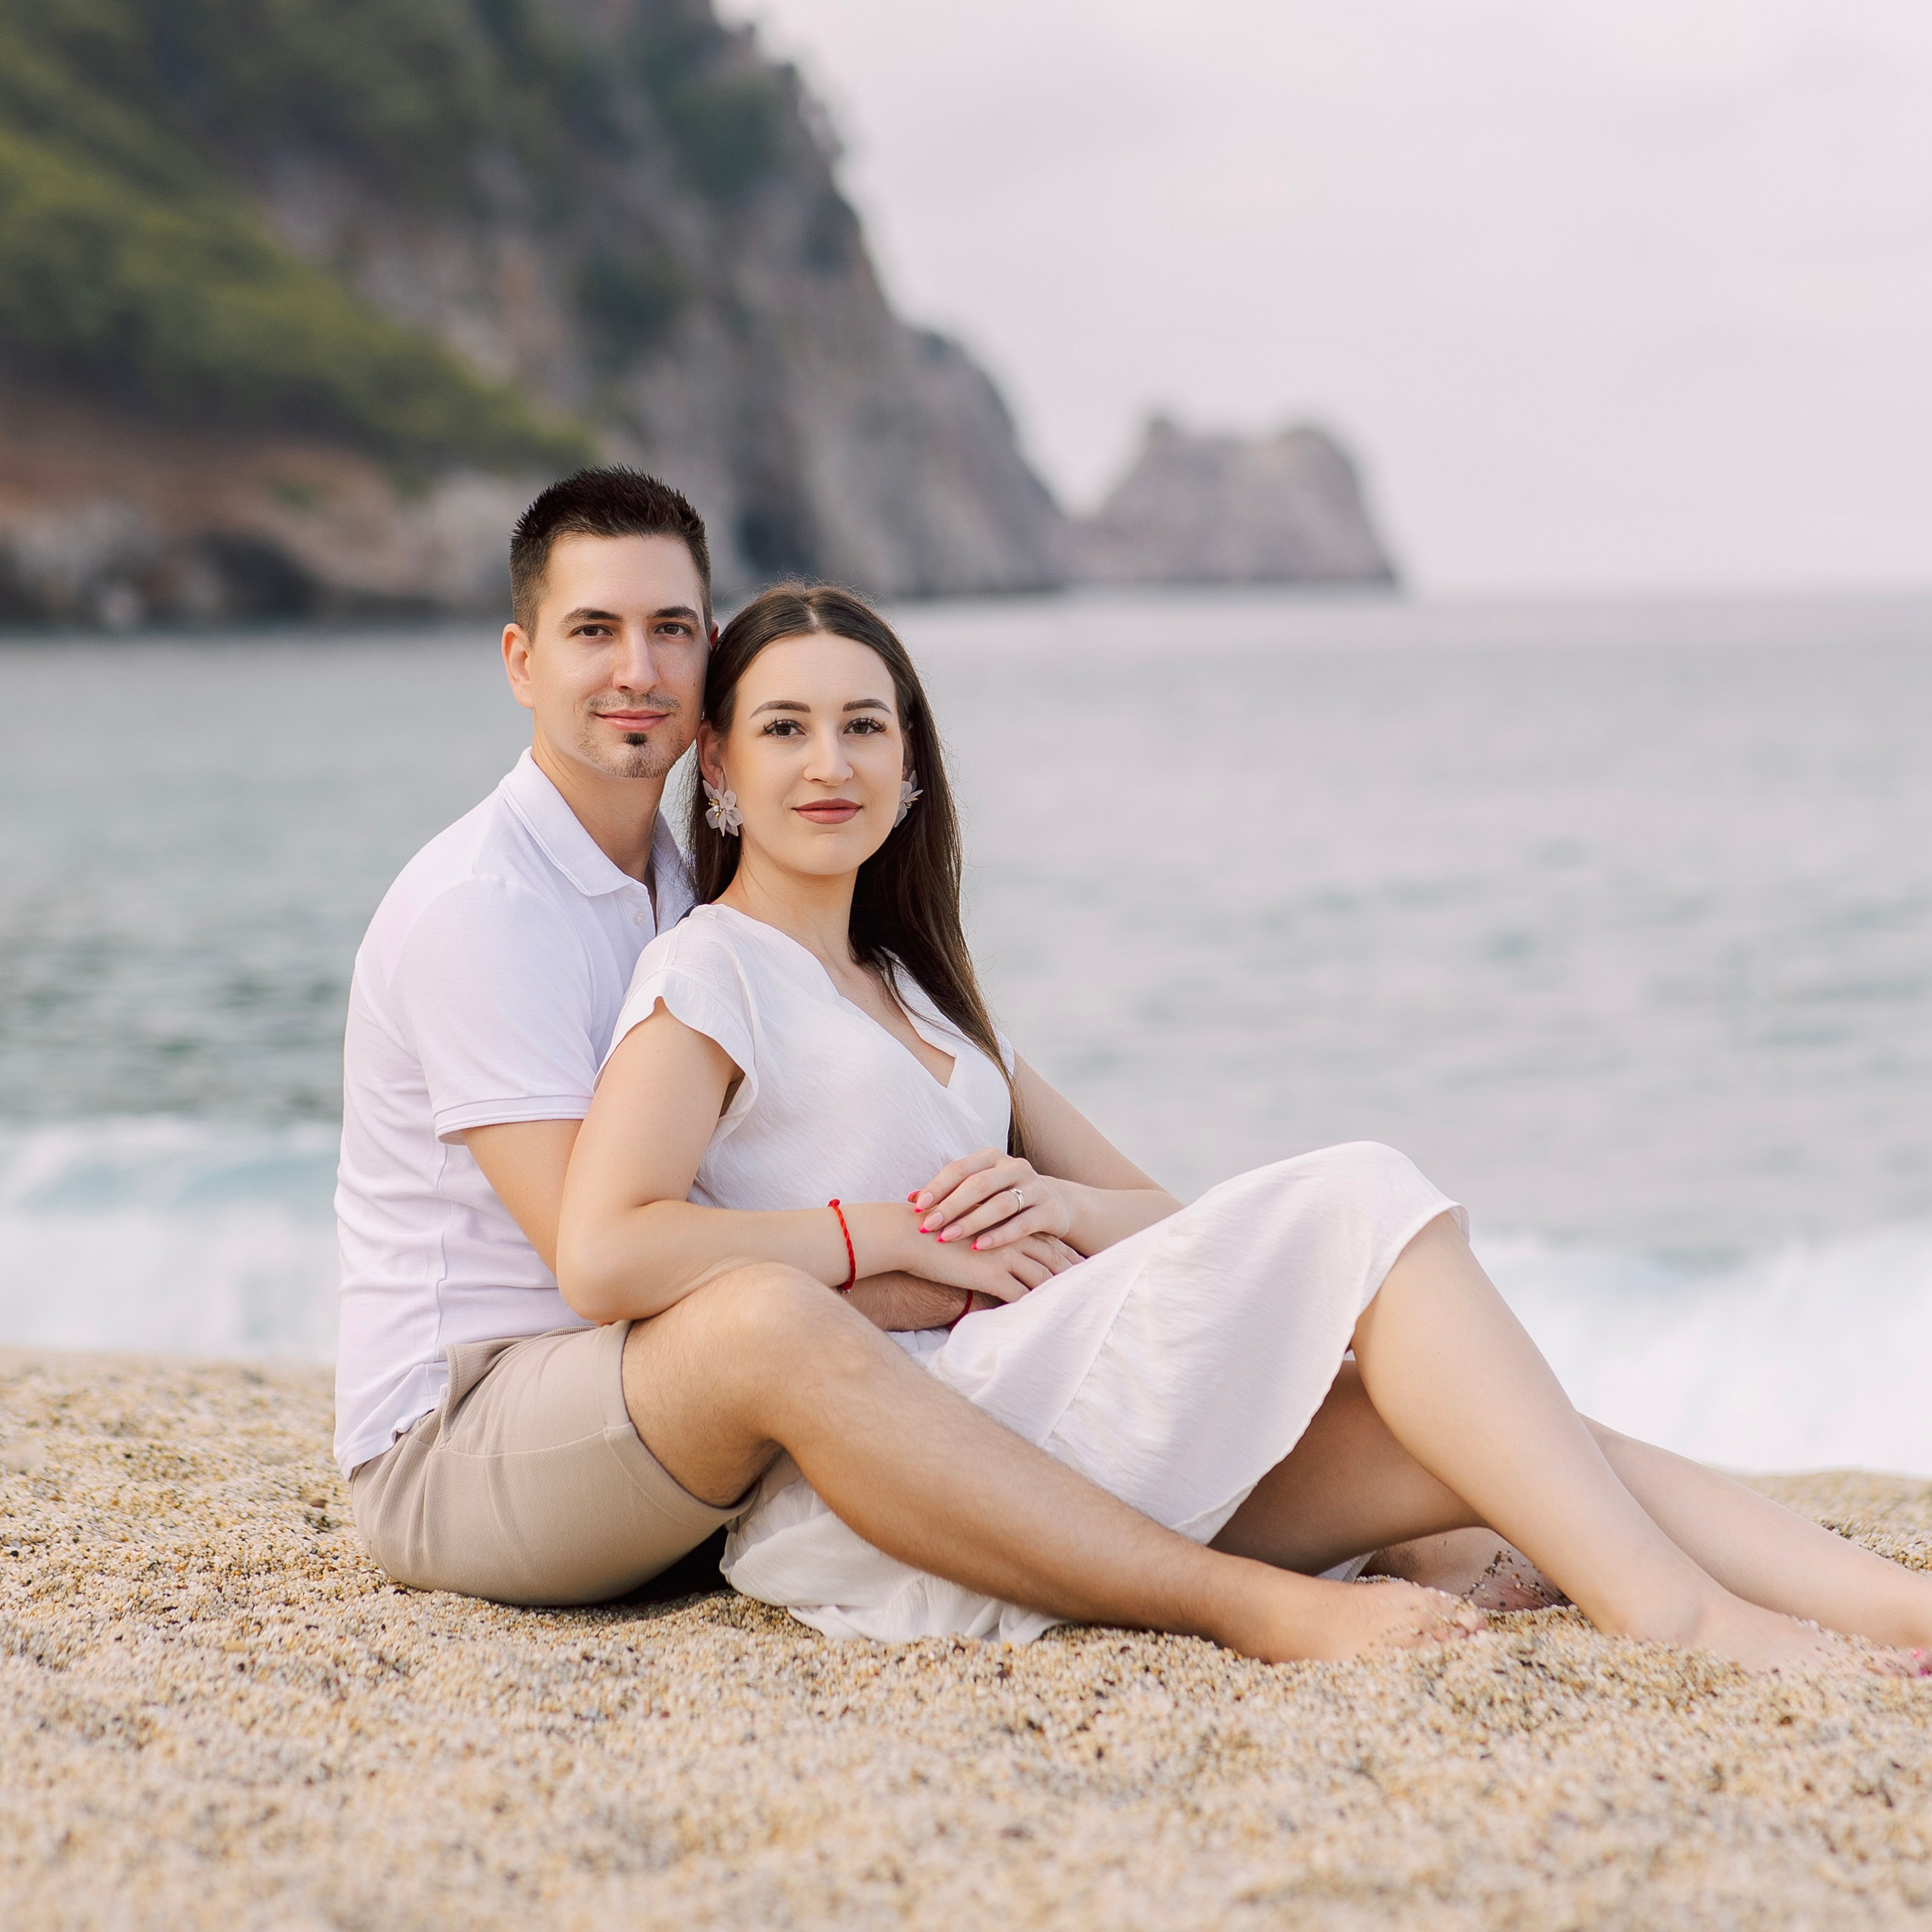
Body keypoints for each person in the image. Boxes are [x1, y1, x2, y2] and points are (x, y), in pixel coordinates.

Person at [557, 582, 1932, 1672]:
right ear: (720, 770)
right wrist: (887, 1236)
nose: (831, 761)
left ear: (911, 764)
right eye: (787, 728)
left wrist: (1072, 1212)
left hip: (1048, 1417)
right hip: (910, 1468)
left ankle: (1893, 1609)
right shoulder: (711, 972)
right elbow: (609, 1251)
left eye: (866, 724)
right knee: (1360, 1189)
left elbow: (1176, 1230)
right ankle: (1674, 1620)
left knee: (1518, 1440)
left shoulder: (926, 999)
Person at [335, 466, 1510, 1663]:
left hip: (682, 1408)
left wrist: (1041, 1245)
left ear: (706, 686)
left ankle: (1423, 1523)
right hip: (471, 1434)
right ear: (523, 662)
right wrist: (915, 1258)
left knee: (1060, 1356)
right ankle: (1239, 1604)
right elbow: (596, 1264)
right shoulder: (484, 909)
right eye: (594, 631)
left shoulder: (701, 897)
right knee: (772, 1322)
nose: (637, 668)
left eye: (672, 631)